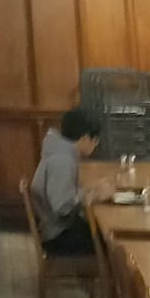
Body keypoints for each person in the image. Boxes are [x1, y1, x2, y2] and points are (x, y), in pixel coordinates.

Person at [30, 106, 106, 255]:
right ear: (85, 138)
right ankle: (100, 276)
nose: (95, 145)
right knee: (109, 241)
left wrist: (91, 188)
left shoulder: (60, 151)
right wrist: (92, 195)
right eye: (95, 140)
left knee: (100, 230)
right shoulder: (63, 160)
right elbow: (62, 207)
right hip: (57, 236)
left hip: (55, 229)